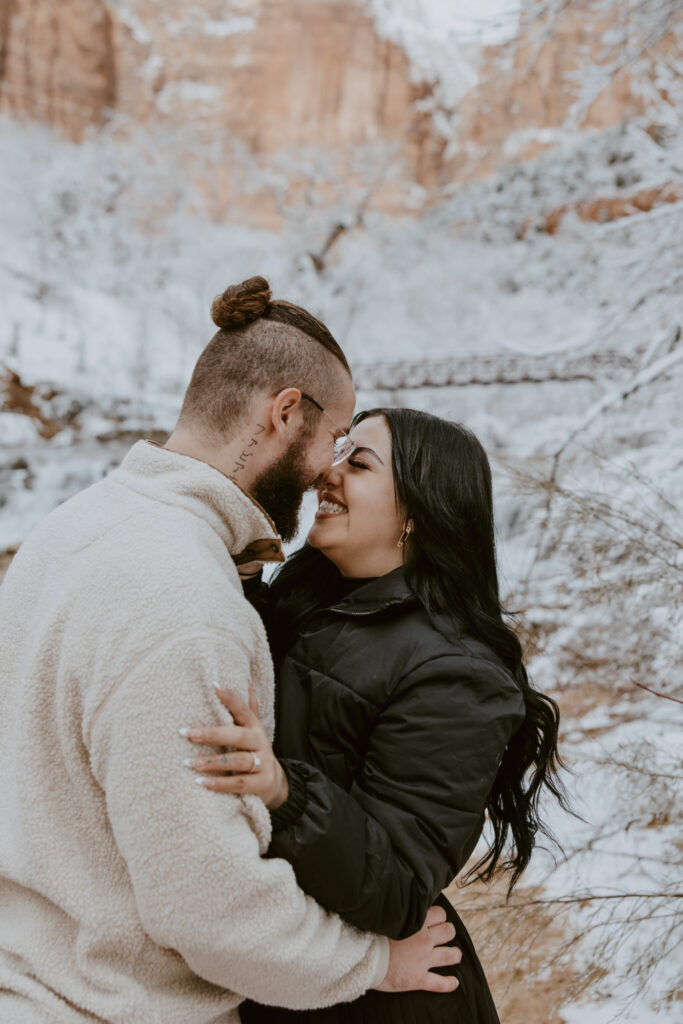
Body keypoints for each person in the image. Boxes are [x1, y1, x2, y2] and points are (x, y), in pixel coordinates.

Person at [0, 278, 460, 1024]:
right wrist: (372, 961)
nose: (326, 473)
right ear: (285, 413)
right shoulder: (187, 601)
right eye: (333, 439)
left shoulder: (72, 528)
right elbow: (207, 908)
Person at [180, 406, 567, 1023]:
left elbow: (399, 887)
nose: (326, 475)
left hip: (387, 999)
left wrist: (286, 790)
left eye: (357, 464)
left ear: (417, 512)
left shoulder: (458, 673)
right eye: (338, 454)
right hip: (296, 969)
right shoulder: (310, 598)